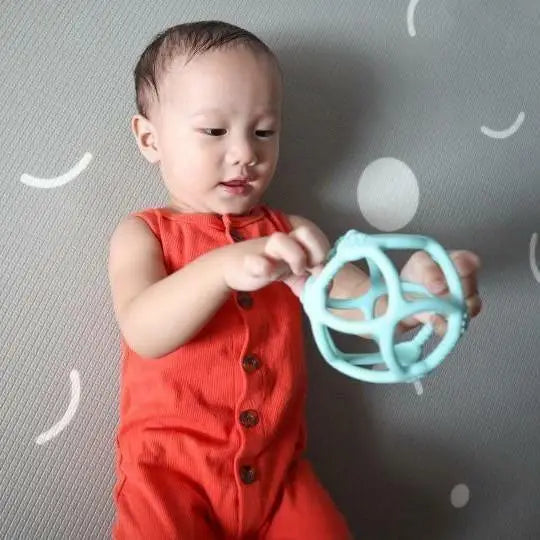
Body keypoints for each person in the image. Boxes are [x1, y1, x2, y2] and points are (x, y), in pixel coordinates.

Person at [108, 20, 482, 539]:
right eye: (215, 131)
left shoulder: (294, 234)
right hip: (168, 480)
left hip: (280, 478)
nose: (245, 152)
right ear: (150, 138)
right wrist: (224, 267)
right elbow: (144, 330)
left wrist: (417, 299)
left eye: (264, 131)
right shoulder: (143, 233)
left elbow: (360, 309)